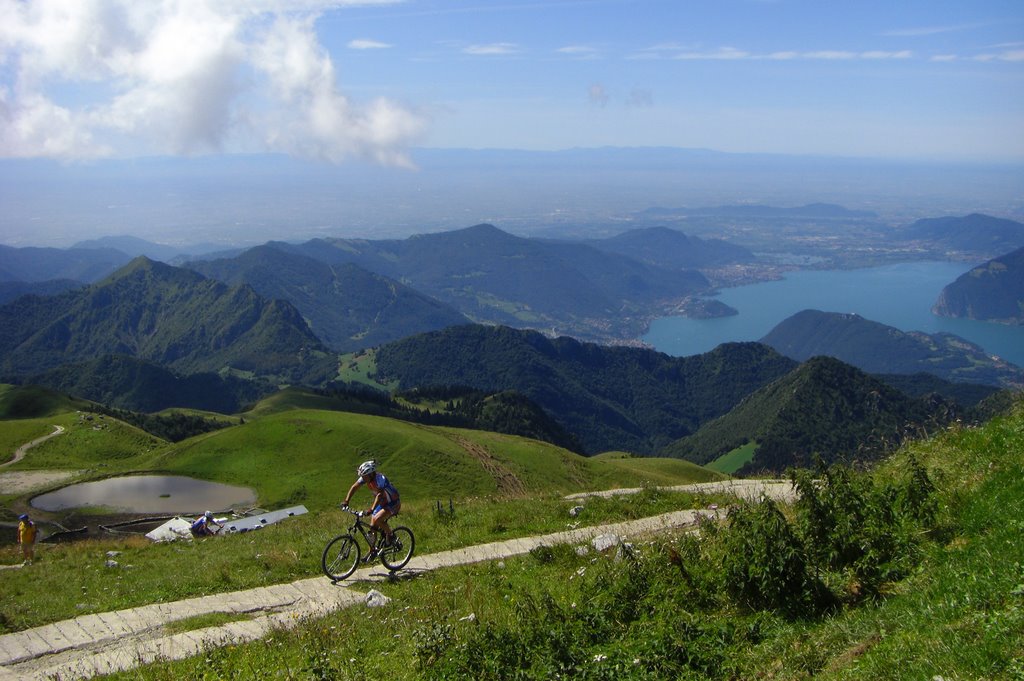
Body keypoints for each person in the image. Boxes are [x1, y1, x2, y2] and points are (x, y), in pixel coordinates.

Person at [342, 460, 400, 561]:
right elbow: (354, 487)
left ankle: (391, 536)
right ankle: (372, 551)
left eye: (364, 476)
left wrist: (371, 509)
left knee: (377, 519)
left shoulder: (380, 479)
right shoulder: (367, 478)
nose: (363, 478)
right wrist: (346, 501)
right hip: (382, 504)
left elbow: (379, 495)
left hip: (393, 503)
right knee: (372, 527)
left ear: (371, 474)